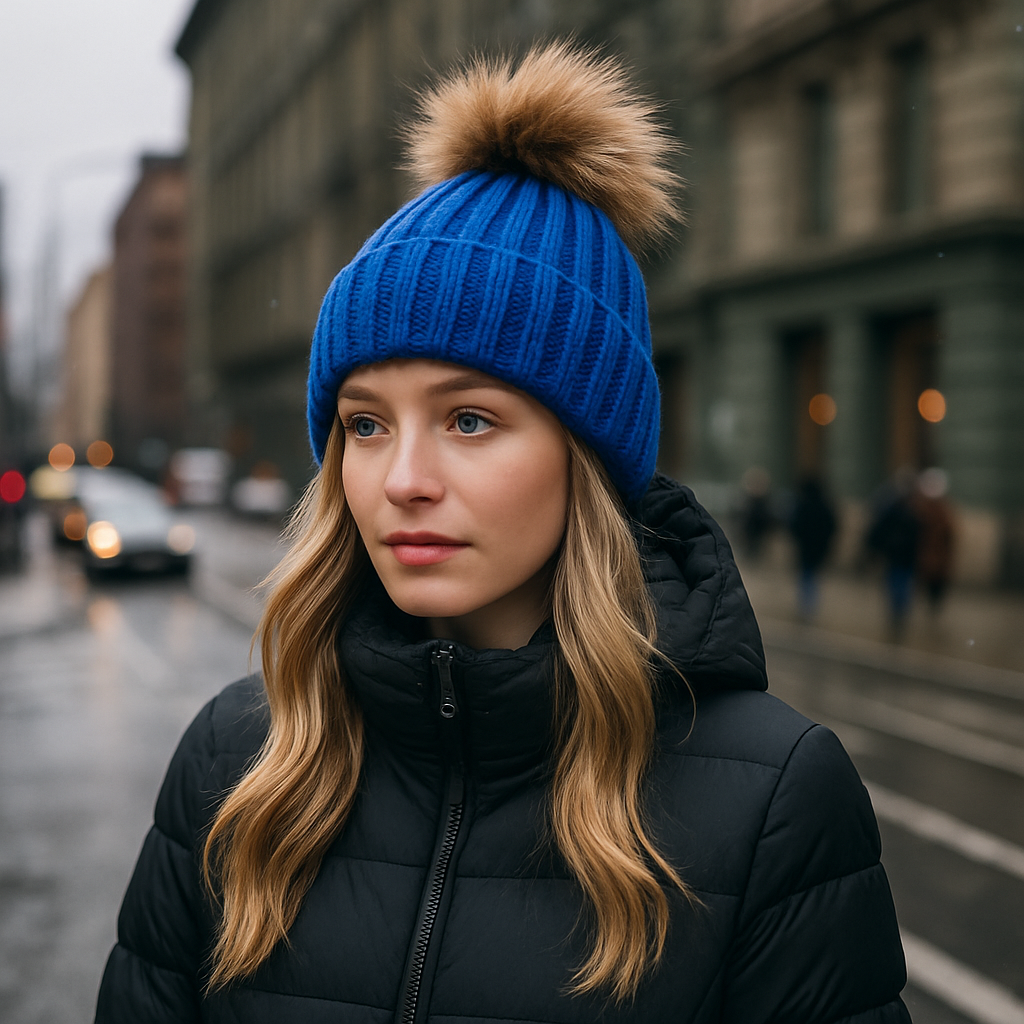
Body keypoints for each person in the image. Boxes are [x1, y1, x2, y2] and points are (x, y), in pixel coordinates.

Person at [95, 44, 910, 1023]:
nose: (403, 480)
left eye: (470, 419)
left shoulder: (777, 799)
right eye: (365, 424)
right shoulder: (235, 763)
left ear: (585, 453)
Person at [866, 467, 922, 640]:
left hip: (901, 555)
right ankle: (898, 615)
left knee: (898, 584)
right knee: (900, 584)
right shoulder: (906, 507)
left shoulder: (906, 507)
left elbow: (879, 528)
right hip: (901, 555)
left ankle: (897, 615)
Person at [788, 474, 837, 619]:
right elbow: (832, 525)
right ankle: (809, 605)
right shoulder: (825, 505)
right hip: (819, 547)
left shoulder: (803, 504)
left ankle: (807, 606)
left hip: (806, 546)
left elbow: (795, 524)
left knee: (806, 574)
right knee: (812, 575)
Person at [914, 467, 956, 614]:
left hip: (936, 557)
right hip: (928, 556)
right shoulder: (922, 509)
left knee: (935, 586)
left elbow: (950, 535)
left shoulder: (942, 511)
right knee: (930, 585)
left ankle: (933, 607)